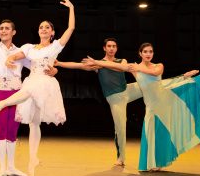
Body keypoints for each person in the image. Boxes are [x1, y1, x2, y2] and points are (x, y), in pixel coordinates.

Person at [84, 44, 200, 172]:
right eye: (145, 51)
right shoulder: (134, 68)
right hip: (152, 105)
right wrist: (97, 62)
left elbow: (155, 74)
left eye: (150, 51)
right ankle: (155, 163)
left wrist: (181, 76)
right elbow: (118, 67)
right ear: (140, 53)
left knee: (191, 84)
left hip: (164, 99)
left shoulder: (158, 65)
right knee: (154, 133)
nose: (148, 54)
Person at [0, 0, 76, 176]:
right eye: (41, 27)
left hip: (44, 83)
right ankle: (32, 161)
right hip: (32, 79)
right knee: (33, 122)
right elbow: (17, 55)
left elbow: (71, 29)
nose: (43, 29)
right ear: (38, 31)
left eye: (47, 27)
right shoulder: (29, 48)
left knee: (30, 100)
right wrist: (10, 59)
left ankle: (2, 104)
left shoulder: (55, 47)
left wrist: (71, 8)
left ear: (52, 32)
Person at [54, 38, 143, 167]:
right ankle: (121, 157)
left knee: (149, 86)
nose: (111, 48)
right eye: (109, 46)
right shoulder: (97, 65)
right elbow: (78, 65)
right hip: (116, 99)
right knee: (120, 128)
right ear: (104, 48)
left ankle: (171, 86)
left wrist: (99, 63)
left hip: (128, 90)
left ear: (116, 48)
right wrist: (59, 63)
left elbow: (123, 68)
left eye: (114, 46)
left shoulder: (121, 61)